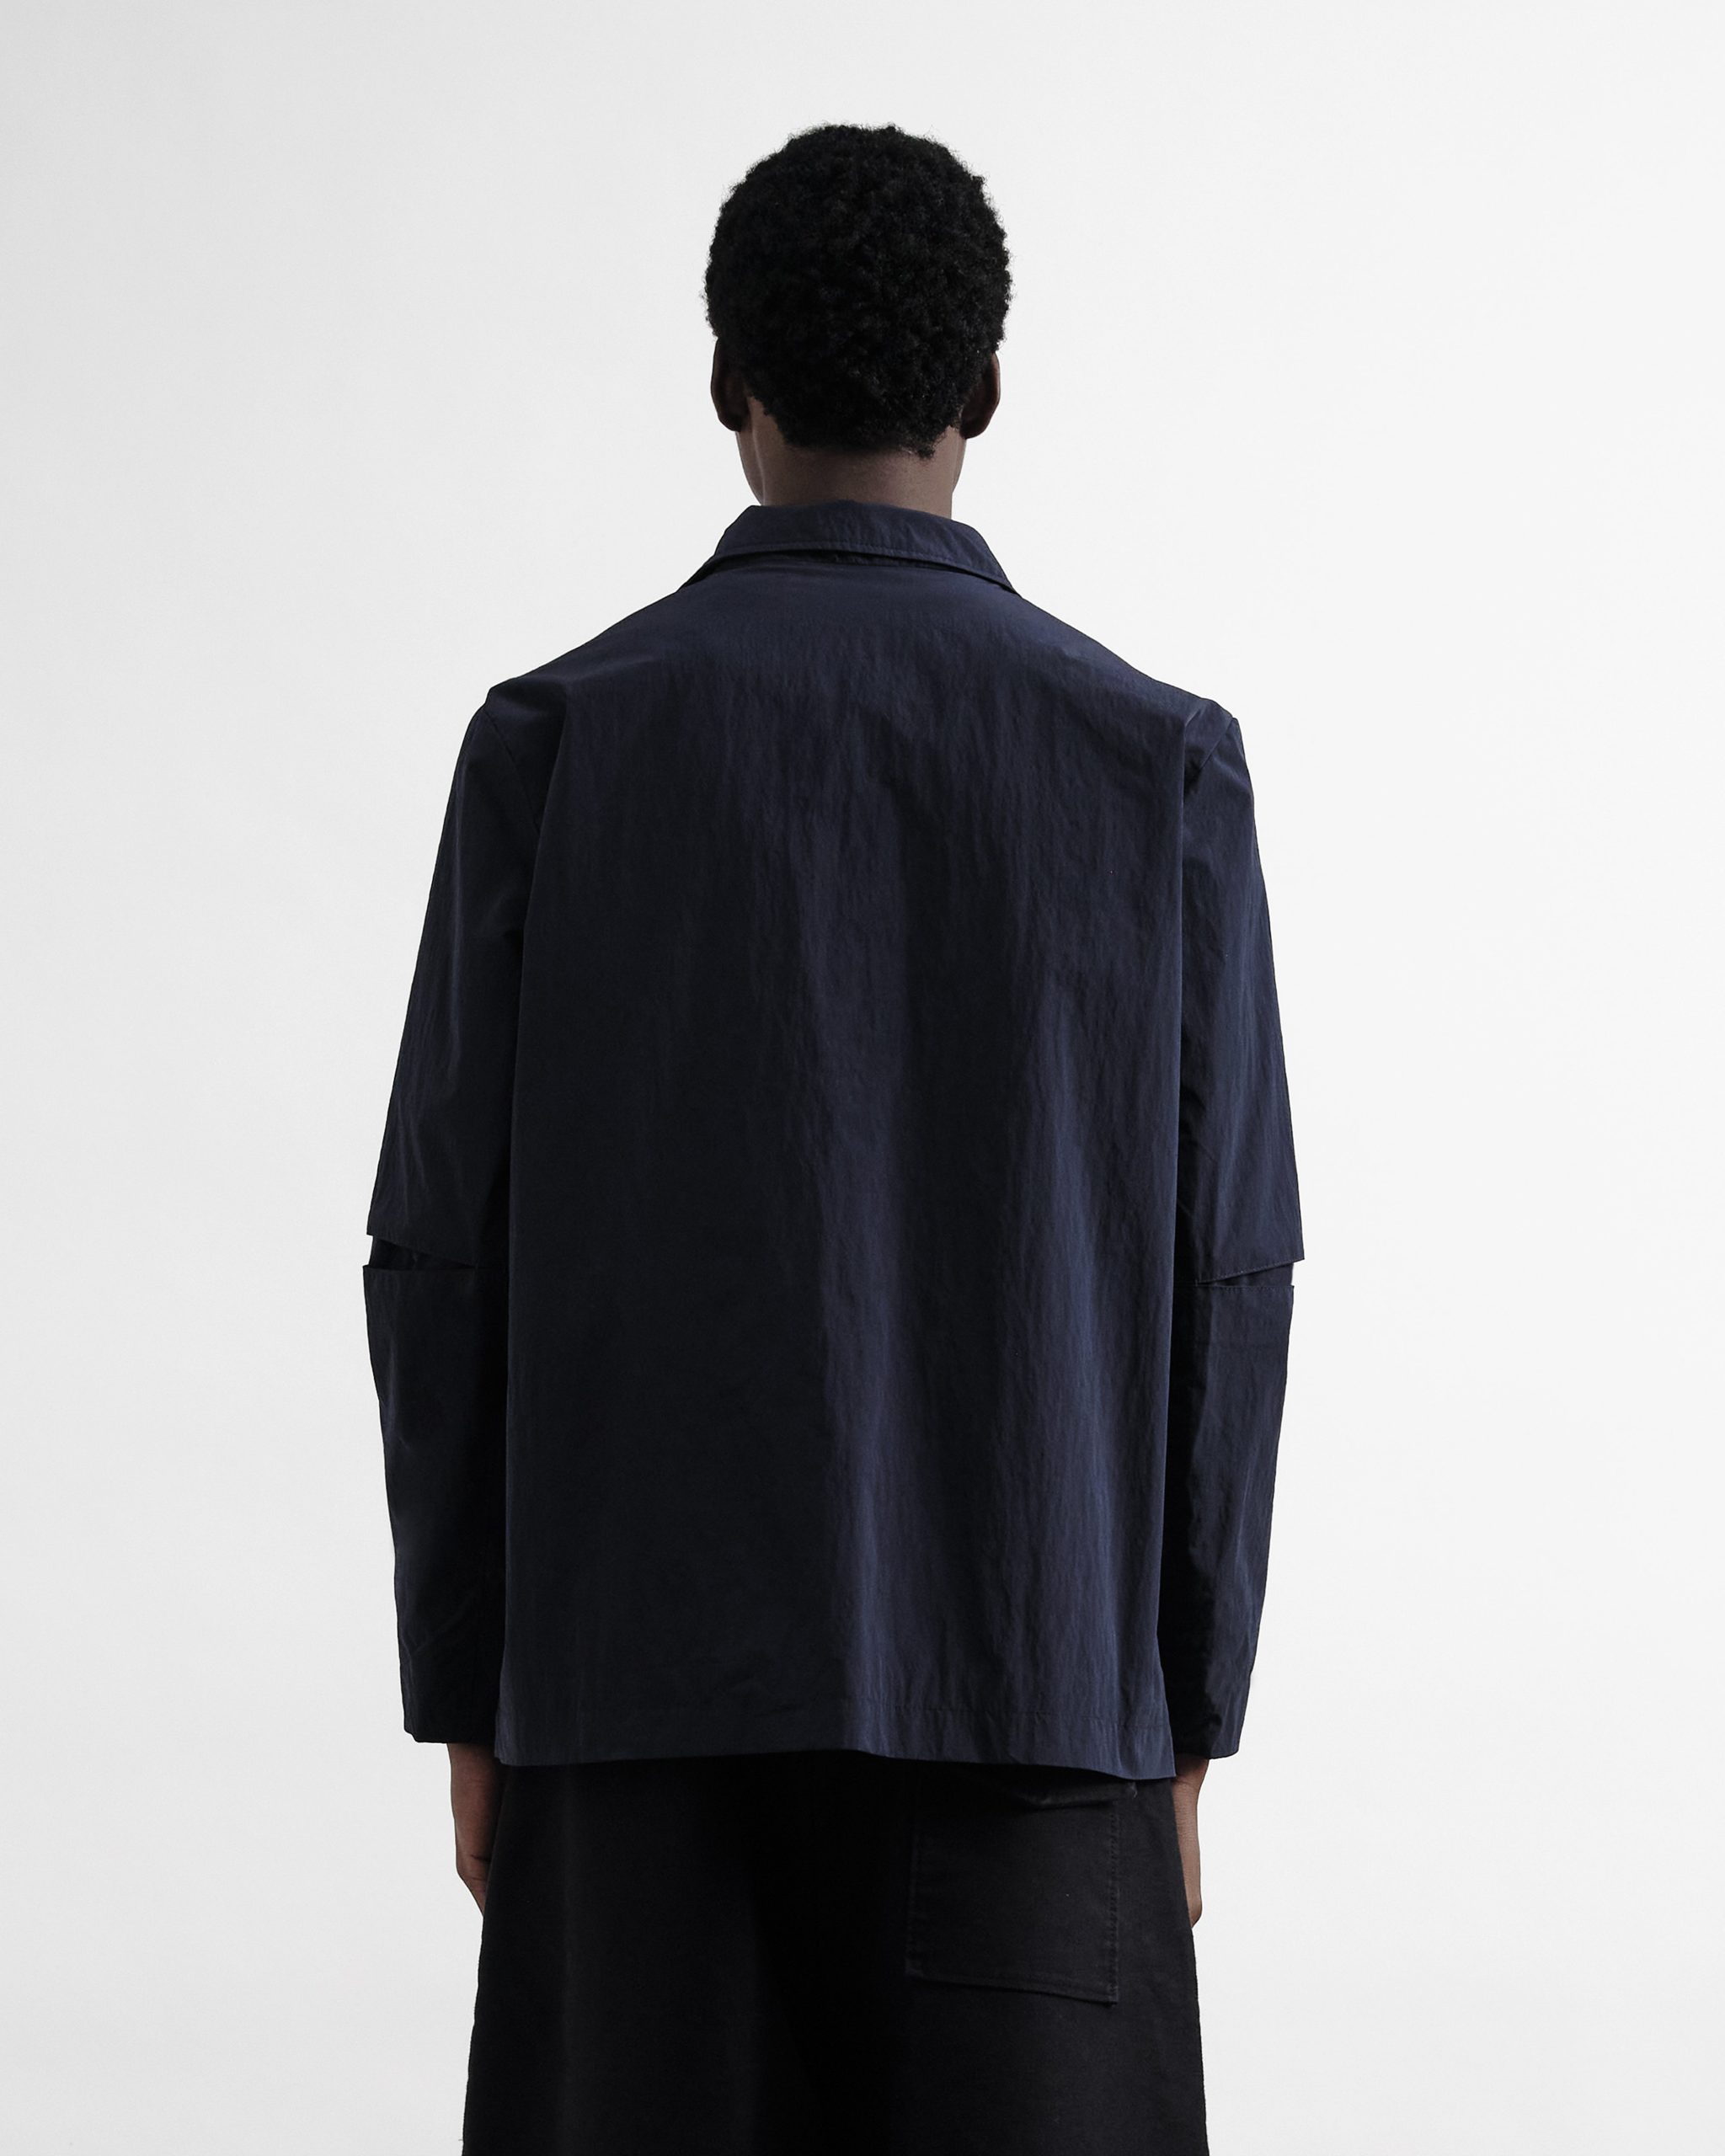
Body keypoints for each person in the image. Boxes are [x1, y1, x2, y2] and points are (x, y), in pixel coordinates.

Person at [361, 121, 1301, 2156]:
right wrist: (1184, 1714)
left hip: (630, 1716)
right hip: (1041, 1710)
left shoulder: (557, 742)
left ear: (727, 384)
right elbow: (1229, 1277)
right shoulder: (1154, 764)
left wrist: (470, 1687)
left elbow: (439, 1257)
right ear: (986, 390)